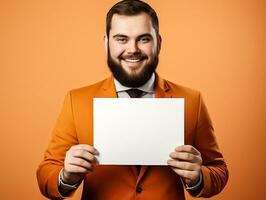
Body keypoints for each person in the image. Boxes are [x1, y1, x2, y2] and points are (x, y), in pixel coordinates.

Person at [37, 0, 229, 199]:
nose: (133, 49)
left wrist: (198, 178)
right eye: (121, 39)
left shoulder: (191, 100)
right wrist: (66, 176)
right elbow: (46, 173)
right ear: (106, 43)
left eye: (144, 39)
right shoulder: (76, 101)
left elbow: (218, 169)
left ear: (158, 43)